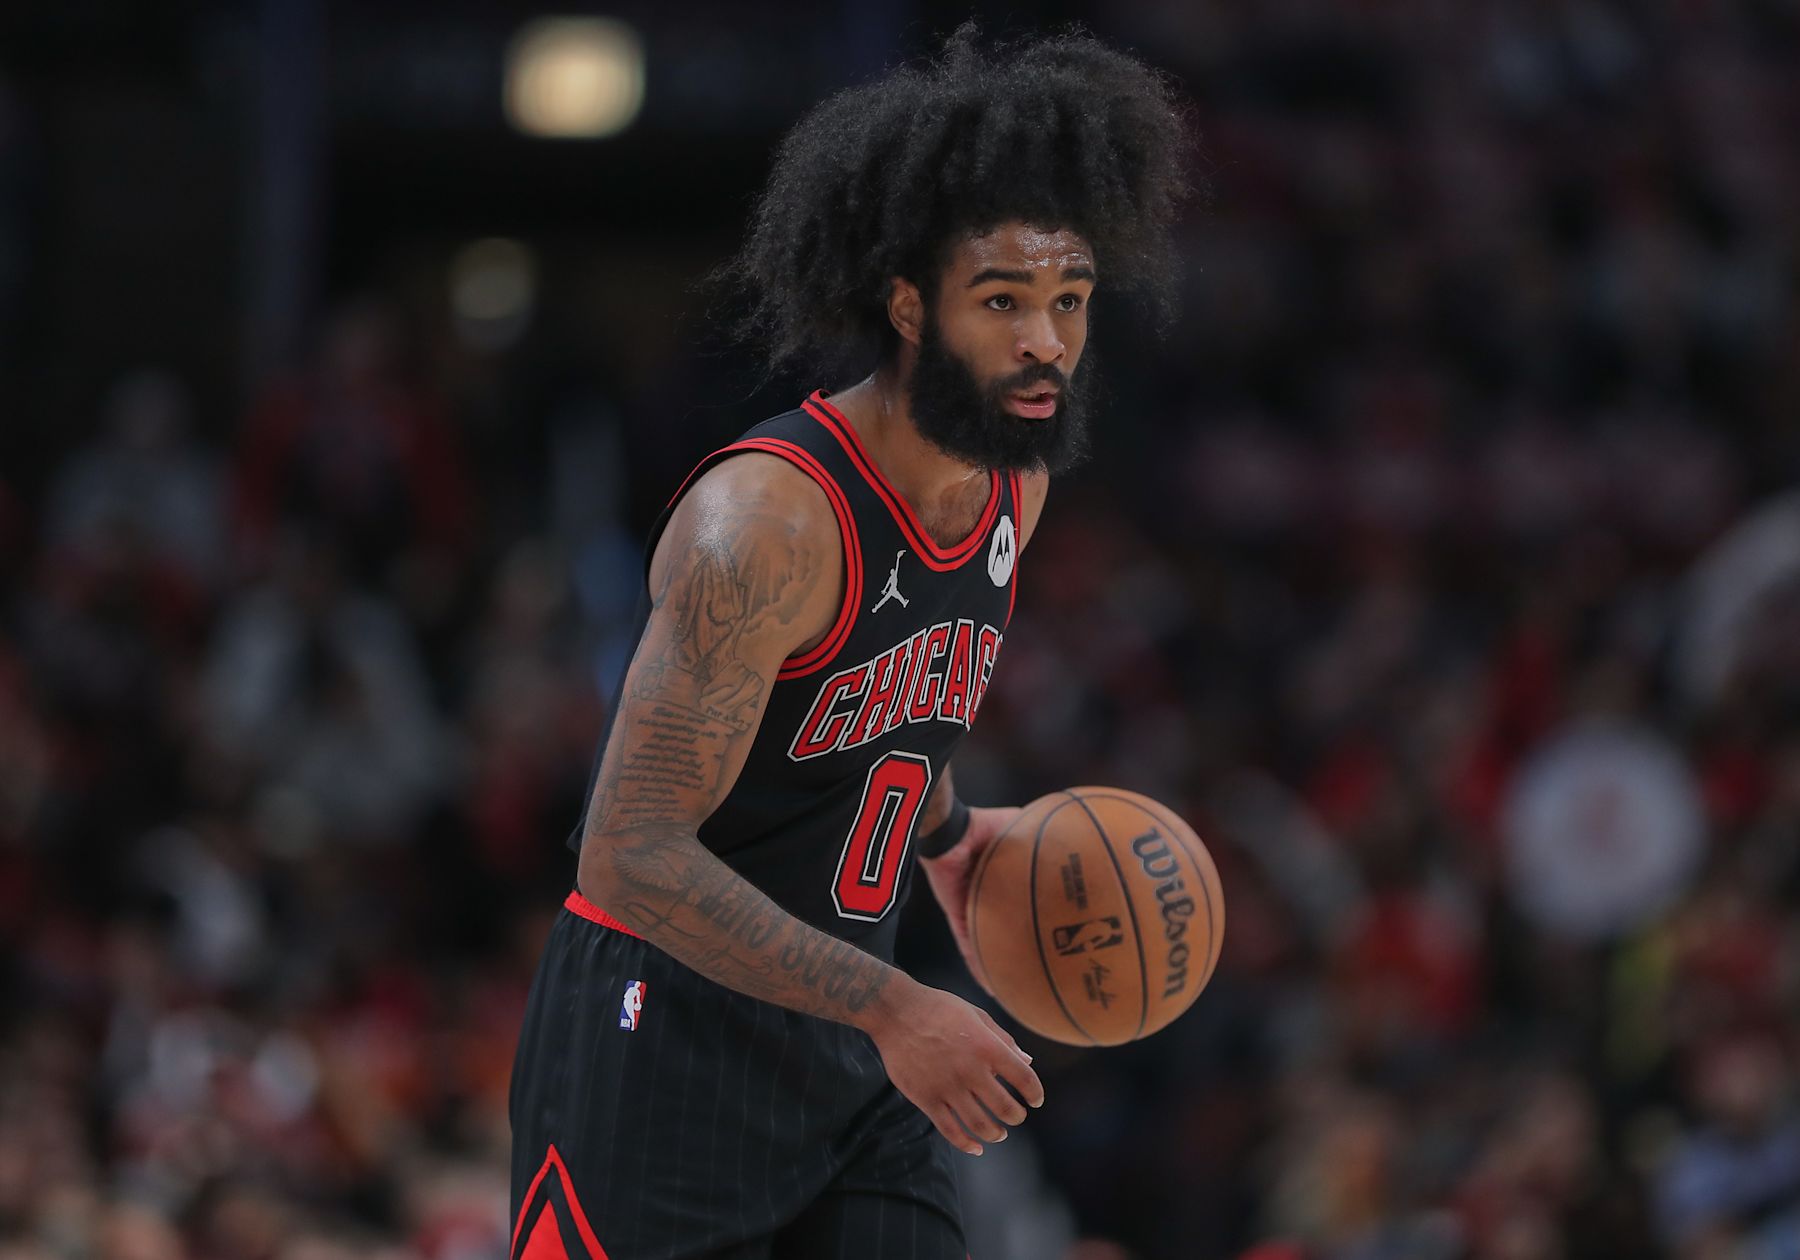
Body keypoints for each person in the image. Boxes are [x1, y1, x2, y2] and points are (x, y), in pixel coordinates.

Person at [509, 24, 1189, 1260]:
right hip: (658, 1043)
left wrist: (950, 836)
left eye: (1070, 301)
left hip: (844, 1052)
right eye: (1003, 302)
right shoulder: (765, 526)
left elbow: (873, 723)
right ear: (908, 305)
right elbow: (627, 851)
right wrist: (892, 1003)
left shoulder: (1010, 489)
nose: (1047, 342)